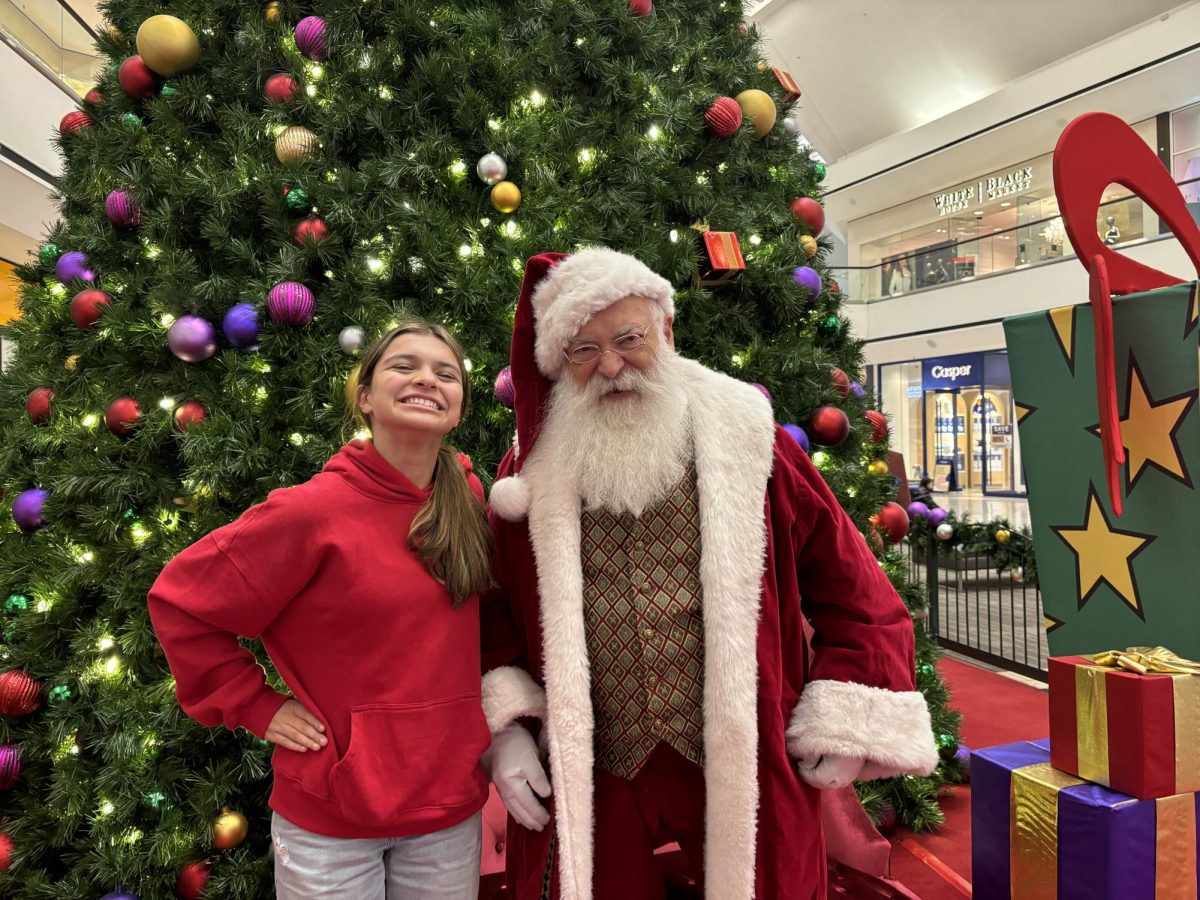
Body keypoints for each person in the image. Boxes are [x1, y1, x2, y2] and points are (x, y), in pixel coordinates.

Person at [479, 248, 938, 900]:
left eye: (628, 339)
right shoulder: (527, 475)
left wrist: (844, 709)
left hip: (736, 750)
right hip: (596, 764)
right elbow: (494, 610)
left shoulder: (750, 441)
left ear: (666, 330)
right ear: (560, 360)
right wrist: (512, 735)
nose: (610, 366)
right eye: (583, 350)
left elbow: (853, 587)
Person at [148, 321, 494, 899]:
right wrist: (254, 705)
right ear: (365, 396)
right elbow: (181, 603)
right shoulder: (310, 513)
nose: (427, 380)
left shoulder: (471, 501)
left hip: (447, 811)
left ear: (458, 407)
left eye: (446, 373)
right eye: (403, 366)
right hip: (332, 821)